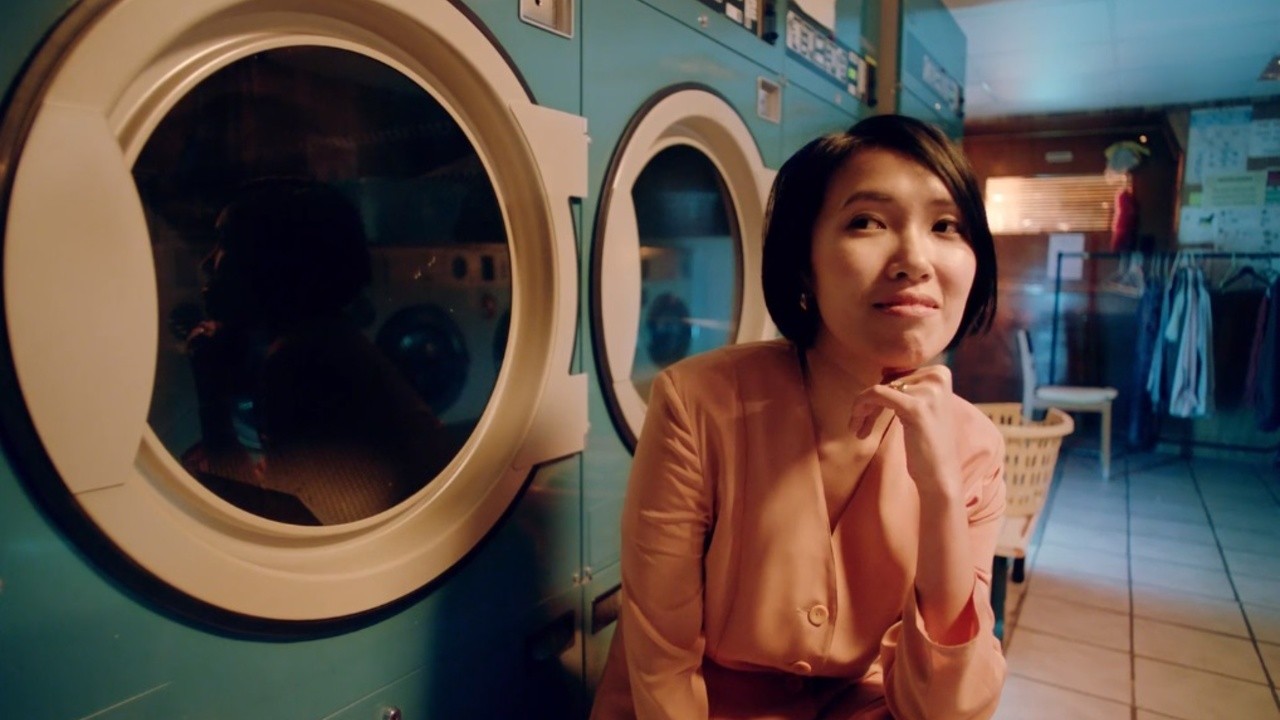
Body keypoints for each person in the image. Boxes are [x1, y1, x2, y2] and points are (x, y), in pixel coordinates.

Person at [590, 114, 1005, 719]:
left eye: (947, 226)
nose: (914, 259)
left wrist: (940, 494)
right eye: (867, 221)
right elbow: (661, 662)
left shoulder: (975, 447)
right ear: (804, 262)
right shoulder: (698, 402)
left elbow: (947, 708)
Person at [183, 177, 452, 525]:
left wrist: (211, 396)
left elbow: (263, 522)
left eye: (226, 244)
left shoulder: (300, 362)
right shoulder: (328, 341)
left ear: (271, 264)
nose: (206, 263)